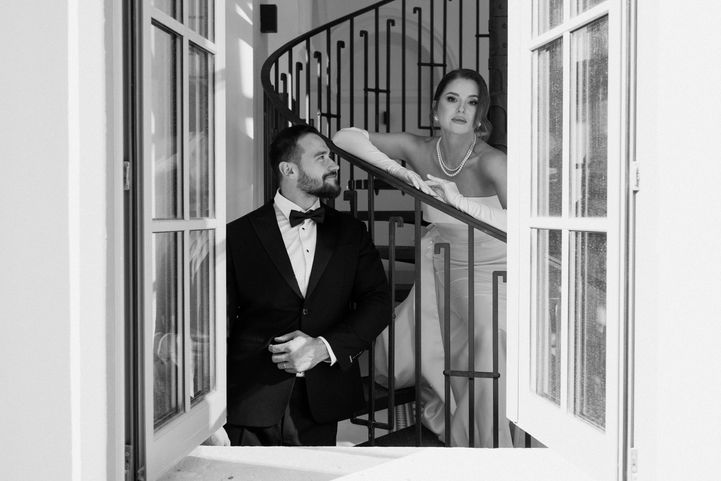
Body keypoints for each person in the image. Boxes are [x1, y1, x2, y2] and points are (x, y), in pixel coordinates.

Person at [332, 68, 510, 447]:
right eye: (452, 99)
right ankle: (475, 431)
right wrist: (398, 172)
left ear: (479, 115)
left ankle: (486, 444)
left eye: (472, 102)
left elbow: (521, 225)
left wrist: (458, 202)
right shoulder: (419, 149)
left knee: (489, 339)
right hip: (450, 259)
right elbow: (344, 137)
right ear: (435, 108)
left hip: (499, 264)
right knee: (464, 348)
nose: (461, 109)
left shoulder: (492, 162)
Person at [225, 124, 391, 446]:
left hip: (322, 399)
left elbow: (378, 303)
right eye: (321, 157)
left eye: (331, 156)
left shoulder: (351, 233)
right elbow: (217, 321)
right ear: (288, 169)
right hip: (249, 399)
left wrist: (323, 348)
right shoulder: (238, 234)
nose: (334, 164)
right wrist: (209, 410)